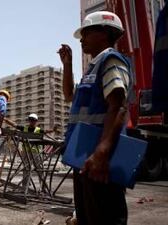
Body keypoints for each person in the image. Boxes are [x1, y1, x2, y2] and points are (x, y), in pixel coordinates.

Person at [58, 11, 133, 225]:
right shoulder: (93, 68)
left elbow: (118, 107)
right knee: (87, 216)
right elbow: (69, 96)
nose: (82, 39)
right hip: (84, 157)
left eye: (86, 32)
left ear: (104, 33)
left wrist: (101, 153)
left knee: (104, 217)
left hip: (99, 159)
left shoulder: (111, 60)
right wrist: (67, 65)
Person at [4, 113, 55, 192]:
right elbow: (15, 125)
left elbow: (46, 131)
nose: (32, 122)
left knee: (40, 169)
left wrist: (53, 130)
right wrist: (5, 120)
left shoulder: (38, 130)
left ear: (36, 121)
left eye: (33, 120)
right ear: (29, 121)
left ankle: (44, 188)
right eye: (31, 120)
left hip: (36, 153)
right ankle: (25, 187)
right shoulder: (24, 128)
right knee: (26, 169)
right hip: (26, 152)